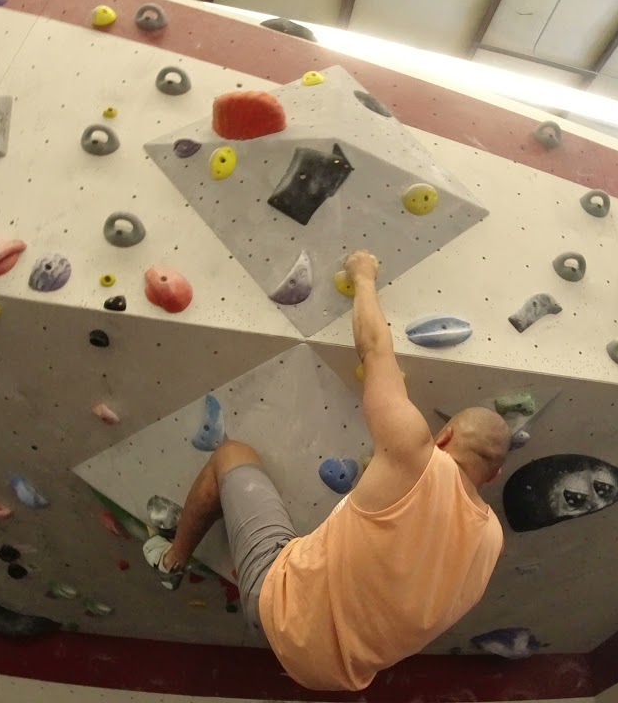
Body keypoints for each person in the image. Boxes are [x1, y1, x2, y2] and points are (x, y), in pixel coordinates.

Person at [143, 249, 509, 691]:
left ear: (445, 436)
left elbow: (374, 350)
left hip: (279, 611)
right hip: (343, 676)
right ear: (490, 476)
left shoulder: (415, 455)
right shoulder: (491, 539)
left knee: (230, 454)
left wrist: (364, 276)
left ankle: (172, 560)